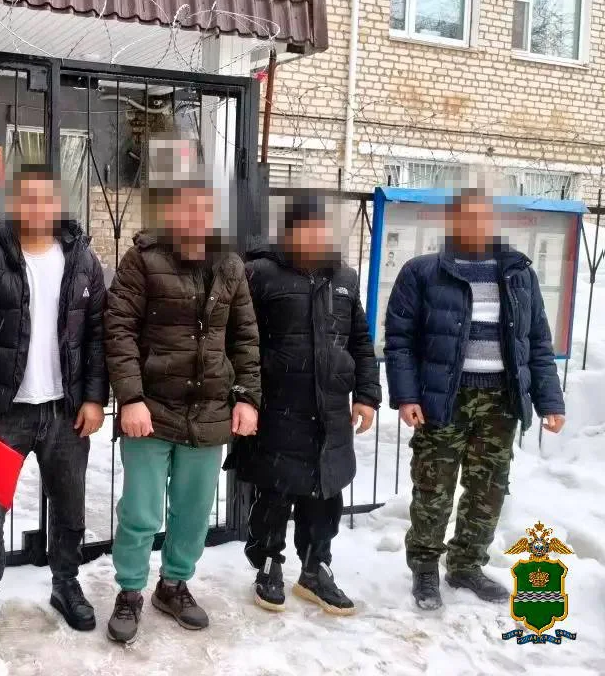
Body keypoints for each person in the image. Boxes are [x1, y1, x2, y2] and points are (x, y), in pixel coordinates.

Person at [103, 139, 261, 644]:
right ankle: (130, 590)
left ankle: (173, 585)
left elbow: (245, 337)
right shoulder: (143, 260)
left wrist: (246, 396)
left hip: (209, 412)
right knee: (141, 512)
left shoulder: (230, 266)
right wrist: (130, 398)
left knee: (192, 513)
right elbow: (119, 330)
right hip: (150, 411)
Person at [385, 188, 566, 611]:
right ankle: (425, 568)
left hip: (501, 400)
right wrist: (407, 396)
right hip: (442, 399)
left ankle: (466, 564)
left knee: (489, 489)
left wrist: (550, 401)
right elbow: (399, 340)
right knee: (433, 487)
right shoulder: (423, 271)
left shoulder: (518, 273)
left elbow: (537, 341)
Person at [0, 161, 108, 645]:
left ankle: (66, 584)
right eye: (29, 198)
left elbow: (98, 335)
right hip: (4, 411)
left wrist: (94, 398)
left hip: (65, 409)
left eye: (47, 198)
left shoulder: (83, 261)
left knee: (69, 507)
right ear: (15, 202)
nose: (38, 208)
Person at [227, 194, 381, 616]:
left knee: (324, 493)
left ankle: (315, 568)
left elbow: (360, 341)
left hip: (330, 411)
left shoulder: (344, 277)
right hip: (278, 406)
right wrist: (245, 396)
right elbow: (241, 338)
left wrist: (367, 395)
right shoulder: (260, 273)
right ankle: (269, 563)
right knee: (275, 492)